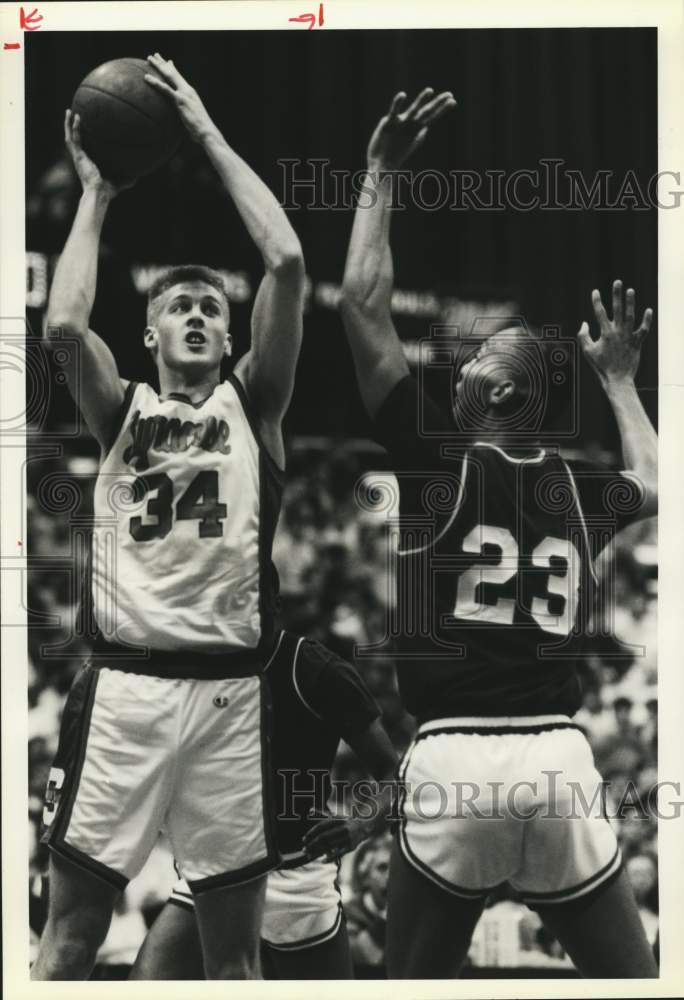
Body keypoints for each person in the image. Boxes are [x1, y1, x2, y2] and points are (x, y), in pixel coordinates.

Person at [339, 88, 658, 978]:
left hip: (452, 756)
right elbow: (661, 483)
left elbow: (362, 304)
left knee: (412, 987)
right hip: (559, 756)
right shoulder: (576, 487)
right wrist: (624, 383)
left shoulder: (434, 460)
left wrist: (378, 177)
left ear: (478, 395)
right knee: (636, 985)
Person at [33, 54, 306, 980]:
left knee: (235, 962)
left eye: (209, 308)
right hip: (125, 691)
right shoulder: (124, 410)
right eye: (177, 306)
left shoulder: (254, 406)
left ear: (231, 337)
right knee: (68, 939)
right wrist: (98, 196)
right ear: (149, 335)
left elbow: (288, 261)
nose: (195, 313)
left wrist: (204, 133)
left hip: (231, 695)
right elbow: (64, 332)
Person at [128, 631, 398, 980]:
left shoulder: (314, 667)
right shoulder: (200, 661)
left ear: (271, 604)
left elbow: (395, 773)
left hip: (296, 873)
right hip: (218, 868)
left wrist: (359, 825)